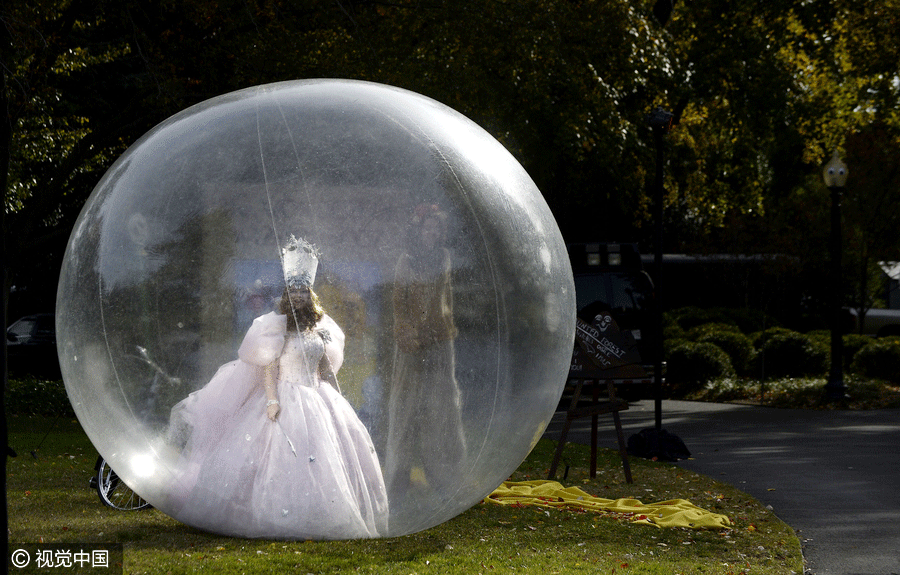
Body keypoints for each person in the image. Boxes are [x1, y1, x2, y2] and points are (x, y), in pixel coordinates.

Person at [167, 236, 388, 539]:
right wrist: (271, 399)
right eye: (293, 290)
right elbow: (269, 365)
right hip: (284, 393)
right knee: (273, 455)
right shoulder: (277, 327)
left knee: (325, 457)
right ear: (287, 293)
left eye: (302, 291)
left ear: (310, 295)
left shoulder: (319, 328)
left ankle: (318, 514)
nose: (298, 295)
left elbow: (324, 370)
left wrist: (326, 374)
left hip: (315, 396)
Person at [384, 205, 467, 510]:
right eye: (427, 227)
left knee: (440, 409)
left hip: (439, 342)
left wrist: (436, 332)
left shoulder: (443, 258)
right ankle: (396, 486)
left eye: (436, 228)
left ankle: (446, 480)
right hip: (409, 344)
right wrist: (408, 334)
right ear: (417, 231)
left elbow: (444, 301)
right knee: (405, 410)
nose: (432, 232)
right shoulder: (405, 261)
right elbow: (399, 301)